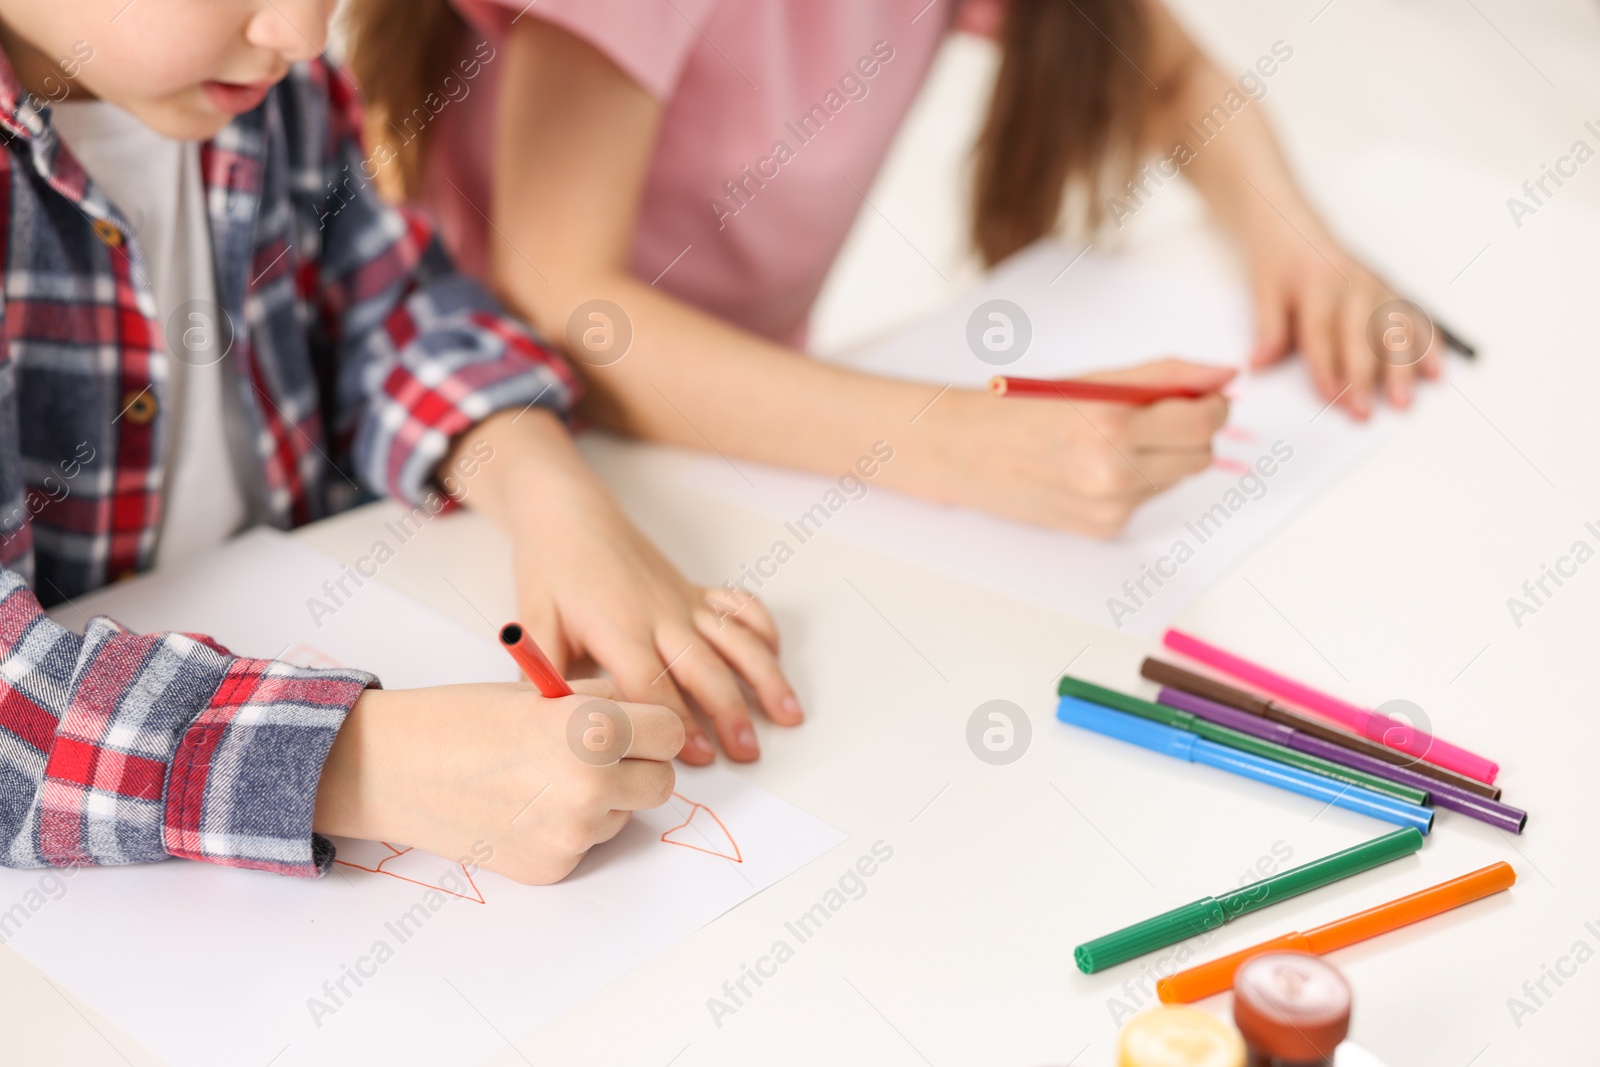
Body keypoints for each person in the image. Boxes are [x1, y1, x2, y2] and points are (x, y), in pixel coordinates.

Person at [0, 0, 798, 887]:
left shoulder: (276, 91)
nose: (305, 35)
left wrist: (550, 496)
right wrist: (356, 765)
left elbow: (395, 318)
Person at [344, 0, 1444, 539]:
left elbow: (1162, 73)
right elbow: (565, 301)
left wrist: (1297, 242)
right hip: (485, 444)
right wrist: (959, 443)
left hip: (755, 446)